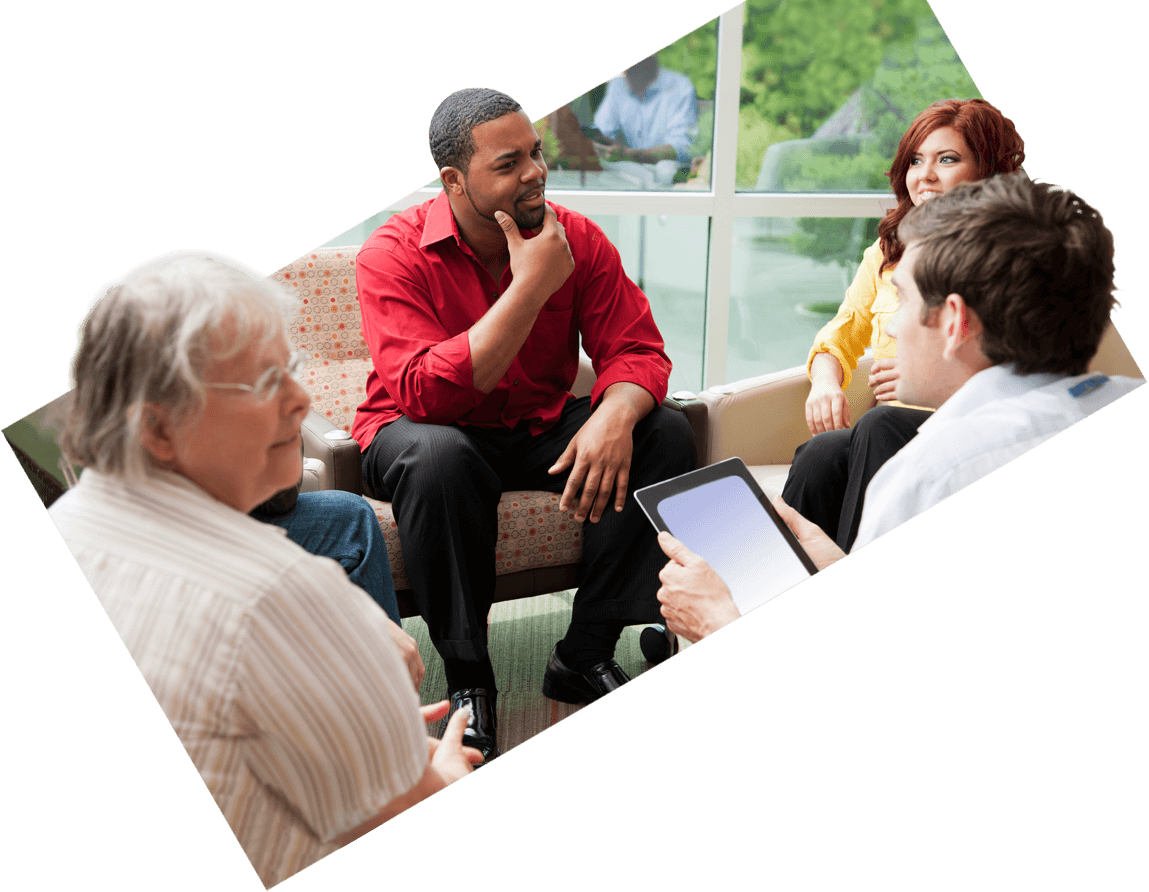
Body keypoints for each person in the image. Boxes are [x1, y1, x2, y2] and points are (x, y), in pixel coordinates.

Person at [48, 252, 482, 889]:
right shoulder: (277, 594)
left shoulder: (71, 521)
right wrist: (442, 769)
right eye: (263, 382)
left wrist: (363, 735)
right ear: (157, 427)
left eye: (293, 367)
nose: (303, 398)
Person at [352, 87, 697, 763]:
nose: (535, 171)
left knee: (666, 431)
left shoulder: (576, 236)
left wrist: (615, 413)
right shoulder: (392, 252)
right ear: (454, 180)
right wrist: (530, 286)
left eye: (535, 153)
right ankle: (470, 678)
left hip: (533, 422)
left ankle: (583, 650)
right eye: (508, 163)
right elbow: (423, 393)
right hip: (416, 430)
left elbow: (636, 348)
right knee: (439, 457)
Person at [657, 174, 1143, 644]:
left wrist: (715, 619)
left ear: (954, 322)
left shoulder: (933, 473)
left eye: (904, 298)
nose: (889, 330)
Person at [783, 99, 1026, 552]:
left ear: (987, 169)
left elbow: (1027, 367)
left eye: (947, 159)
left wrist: (933, 383)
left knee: (879, 424)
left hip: (966, 425)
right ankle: (760, 588)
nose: (925, 175)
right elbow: (843, 330)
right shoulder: (887, 251)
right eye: (916, 160)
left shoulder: (1010, 254)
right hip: (888, 422)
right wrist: (824, 384)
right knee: (820, 454)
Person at [250, 480, 425, 691]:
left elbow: (281, 495)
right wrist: (359, 614)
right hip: (209, 533)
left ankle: (390, 697)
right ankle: (387, 702)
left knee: (351, 515)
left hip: (233, 512)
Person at [591, 54, 699, 167]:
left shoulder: (681, 87)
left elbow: (682, 148)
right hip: (631, 171)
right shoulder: (618, 85)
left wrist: (628, 155)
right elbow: (602, 131)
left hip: (668, 174)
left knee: (666, 168)